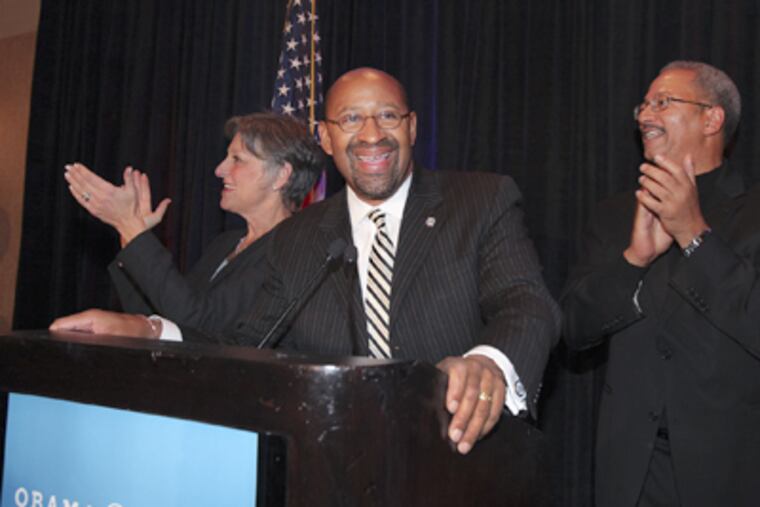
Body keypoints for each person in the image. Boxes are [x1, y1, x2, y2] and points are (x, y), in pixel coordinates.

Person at [52, 68, 560, 455]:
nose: (370, 135)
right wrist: (142, 329)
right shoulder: (298, 238)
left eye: (387, 116)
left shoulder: (482, 200)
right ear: (325, 136)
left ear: (412, 126)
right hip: (332, 468)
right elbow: (241, 342)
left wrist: (490, 362)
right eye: (350, 119)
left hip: (460, 463)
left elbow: (526, 304)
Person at [561, 61, 760, 506]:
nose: (645, 115)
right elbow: (573, 328)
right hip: (630, 472)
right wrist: (634, 260)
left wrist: (695, 235)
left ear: (712, 118)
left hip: (732, 472)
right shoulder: (616, 214)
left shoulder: (754, 210)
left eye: (663, 102)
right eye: (644, 105)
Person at [62, 112, 324, 337]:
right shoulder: (225, 243)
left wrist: (133, 229)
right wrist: (128, 233)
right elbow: (163, 323)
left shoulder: (293, 252)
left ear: (281, 175)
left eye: (237, 159)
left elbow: (202, 325)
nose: (220, 170)